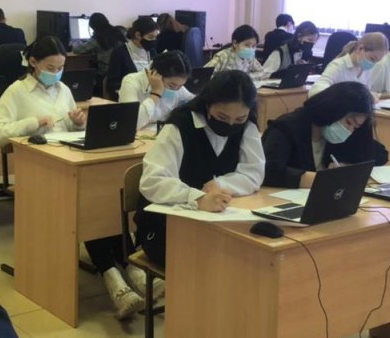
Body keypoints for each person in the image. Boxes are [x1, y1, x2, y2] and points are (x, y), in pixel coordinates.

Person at [261, 83, 390, 338]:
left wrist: (352, 163)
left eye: (357, 125)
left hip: (327, 215)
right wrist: (313, 178)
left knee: (356, 260)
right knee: (313, 276)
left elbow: (377, 154)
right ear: (332, 110)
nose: (350, 129)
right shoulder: (288, 127)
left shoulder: (342, 135)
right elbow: (268, 170)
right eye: (349, 122)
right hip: (285, 217)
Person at [0, 37, 144, 319]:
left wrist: (77, 122)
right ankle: (117, 281)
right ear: (33, 62)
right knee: (88, 208)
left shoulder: (63, 89)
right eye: (51, 67)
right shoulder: (16, 92)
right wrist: (33, 123)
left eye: (61, 67)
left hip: (69, 166)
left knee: (104, 204)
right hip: (40, 176)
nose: (57, 73)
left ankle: (131, 273)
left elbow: (69, 129)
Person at [134, 70, 264, 267]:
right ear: (208, 104)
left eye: (239, 119)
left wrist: (220, 184)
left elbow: (254, 173)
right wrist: (197, 198)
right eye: (222, 116)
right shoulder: (180, 125)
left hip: (217, 220)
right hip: (165, 224)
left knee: (248, 256)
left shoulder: (247, 126)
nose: (231, 124)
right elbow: (153, 181)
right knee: (221, 261)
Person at [119, 50, 194, 129]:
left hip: (162, 132)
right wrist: (156, 93)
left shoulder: (176, 85)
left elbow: (194, 100)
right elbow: (132, 122)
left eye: (181, 86)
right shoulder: (131, 81)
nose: (175, 90)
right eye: (172, 85)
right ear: (156, 74)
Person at [308, 32, 388, 98]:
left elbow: (366, 92)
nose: (373, 64)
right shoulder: (338, 65)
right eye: (372, 58)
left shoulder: (366, 69)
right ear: (360, 48)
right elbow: (315, 91)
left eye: (377, 61)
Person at [105, 17, 159, 99]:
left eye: (156, 37)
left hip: (149, 94)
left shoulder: (152, 51)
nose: (154, 40)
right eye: (150, 37)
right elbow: (112, 83)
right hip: (128, 96)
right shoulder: (119, 52)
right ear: (138, 35)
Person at [72, 12, 124, 92]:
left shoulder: (97, 38)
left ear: (92, 26)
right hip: (121, 71)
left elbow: (77, 50)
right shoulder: (118, 32)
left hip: (104, 73)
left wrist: (73, 45)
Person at [205, 25, 278, 81]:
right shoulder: (223, 56)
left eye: (253, 46)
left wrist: (244, 77)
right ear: (235, 43)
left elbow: (263, 73)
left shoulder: (250, 58)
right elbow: (204, 76)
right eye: (247, 45)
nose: (251, 49)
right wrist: (227, 80)